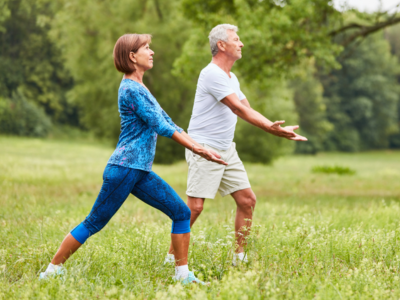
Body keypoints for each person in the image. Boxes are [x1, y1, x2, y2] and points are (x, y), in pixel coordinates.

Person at [39, 33, 227, 284]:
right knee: (95, 221)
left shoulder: (140, 87)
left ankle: (183, 276)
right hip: (125, 167)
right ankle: (51, 271)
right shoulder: (130, 88)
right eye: (146, 48)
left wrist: (200, 146)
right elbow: (160, 126)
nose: (151, 52)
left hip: (139, 170)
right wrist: (198, 150)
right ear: (132, 57)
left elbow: (169, 121)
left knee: (181, 212)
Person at [166, 24, 307, 266]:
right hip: (204, 148)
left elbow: (247, 107)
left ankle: (239, 259)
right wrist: (270, 129)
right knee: (196, 207)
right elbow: (237, 108)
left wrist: (276, 128)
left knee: (247, 200)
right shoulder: (211, 73)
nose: (241, 44)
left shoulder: (232, 77)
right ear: (221, 45)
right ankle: (171, 259)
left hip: (226, 148)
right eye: (236, 39)